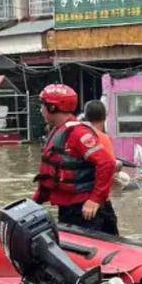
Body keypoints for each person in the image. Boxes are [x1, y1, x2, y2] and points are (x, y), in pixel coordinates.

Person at [34, 84, 119, 236]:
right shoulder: (58, 132)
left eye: (43, 105)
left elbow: (107, 163)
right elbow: (51, 174)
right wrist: (34, 203)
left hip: (86, 212)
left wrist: (95, 199)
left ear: (52, 108)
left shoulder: (78, 134)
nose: (41, 109)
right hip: (70, 208)